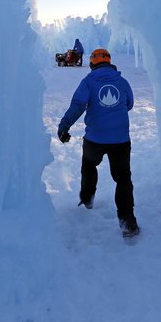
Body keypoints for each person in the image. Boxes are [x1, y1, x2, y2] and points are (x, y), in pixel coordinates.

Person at [57, 48, 140, 237]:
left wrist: (64, 126)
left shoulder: (88, 81)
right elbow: (129, 104)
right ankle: (128, 222)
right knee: (123, 179)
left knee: (89, 164)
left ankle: (87, 198)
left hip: (95, 138)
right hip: (120, 139)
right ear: (109, 62)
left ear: (93, 63)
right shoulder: (122, 82)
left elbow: (78, 105)